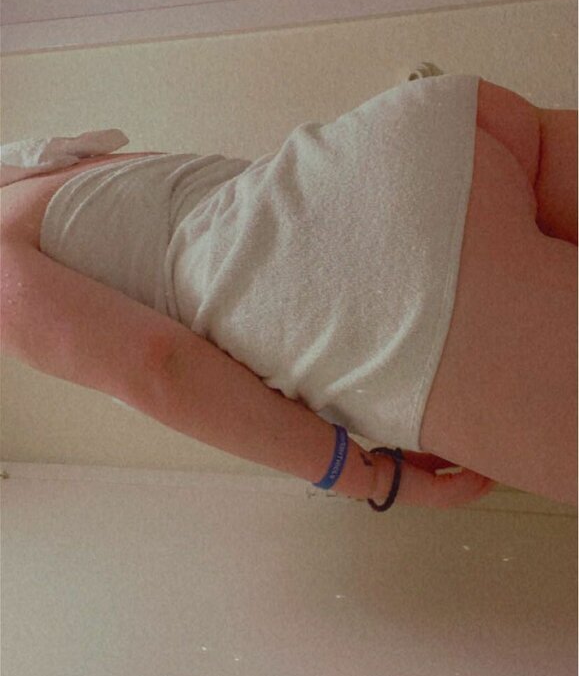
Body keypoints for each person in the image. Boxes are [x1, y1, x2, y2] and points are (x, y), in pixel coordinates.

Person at [1, 76, 576, 510]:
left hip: (388, 289)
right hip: (419, 132)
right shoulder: (24, 172)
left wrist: (372, 478)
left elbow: (161, 367)